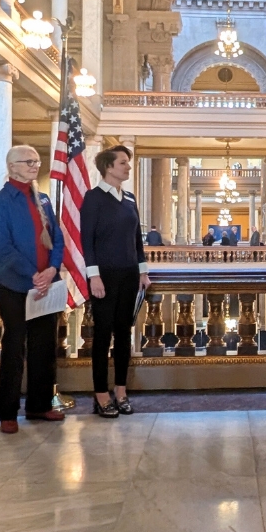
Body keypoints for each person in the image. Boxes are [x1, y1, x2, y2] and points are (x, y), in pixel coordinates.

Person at [0, 145, 66, 434]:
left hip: (46, 284)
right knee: (14, 346)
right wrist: (34, 275)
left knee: (44, 347)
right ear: (12, 166)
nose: (34, 165)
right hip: (14, 284)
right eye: (28, 161)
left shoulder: (43, 199)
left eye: (37, 161)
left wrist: (52, 269)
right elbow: (4, 249)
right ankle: (8, 412)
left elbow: (57, 239)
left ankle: (39, 405)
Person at [81, 145, 152, 418]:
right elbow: (87, 240)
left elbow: (136, 241)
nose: (128, 167)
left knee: (124, 335)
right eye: (123, 162)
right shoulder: (93, 198)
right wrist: (94, 275)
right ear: (108, 167)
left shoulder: (130, 198)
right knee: (102, 336)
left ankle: (121, 392)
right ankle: (101, 395)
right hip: (104, 277)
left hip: (129, 275)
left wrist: (142, 272)